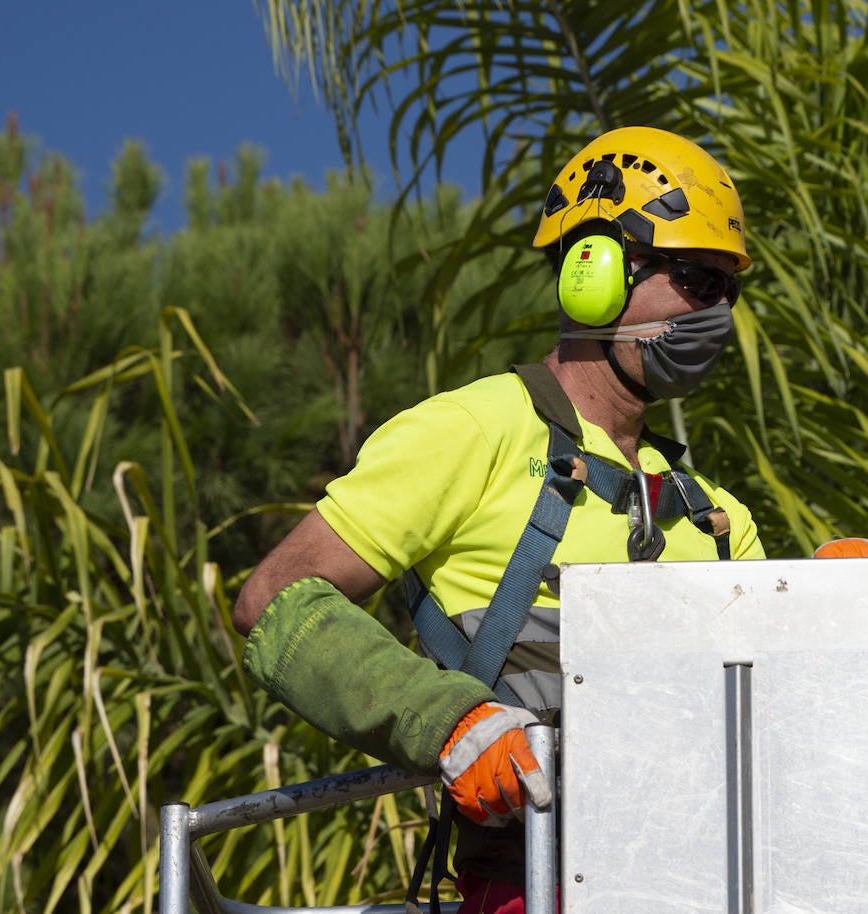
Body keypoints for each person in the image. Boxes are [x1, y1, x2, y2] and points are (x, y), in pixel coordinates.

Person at [232, 125, 766, 913]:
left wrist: (840, 606)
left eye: (729, 289)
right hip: (535, 882)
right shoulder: (476, 429)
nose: (716, 312)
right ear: (596, 269)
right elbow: (275, 596)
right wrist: (447, 721)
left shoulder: (719, 517)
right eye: (694, 277)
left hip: (715, 884)